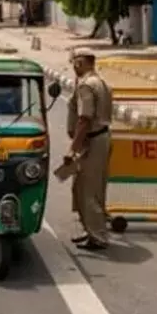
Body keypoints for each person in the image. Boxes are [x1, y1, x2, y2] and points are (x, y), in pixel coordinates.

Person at [65, 47, 113, 250]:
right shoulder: (100, 82)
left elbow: (85, 119)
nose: (73, 67)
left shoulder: (87, 86)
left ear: (81, 62)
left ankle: (98, 236)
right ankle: (91, 230)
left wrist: (72, 148)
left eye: (75, 63)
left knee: (88, 190)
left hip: (91, 141)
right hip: (99, 138)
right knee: (87, 188)